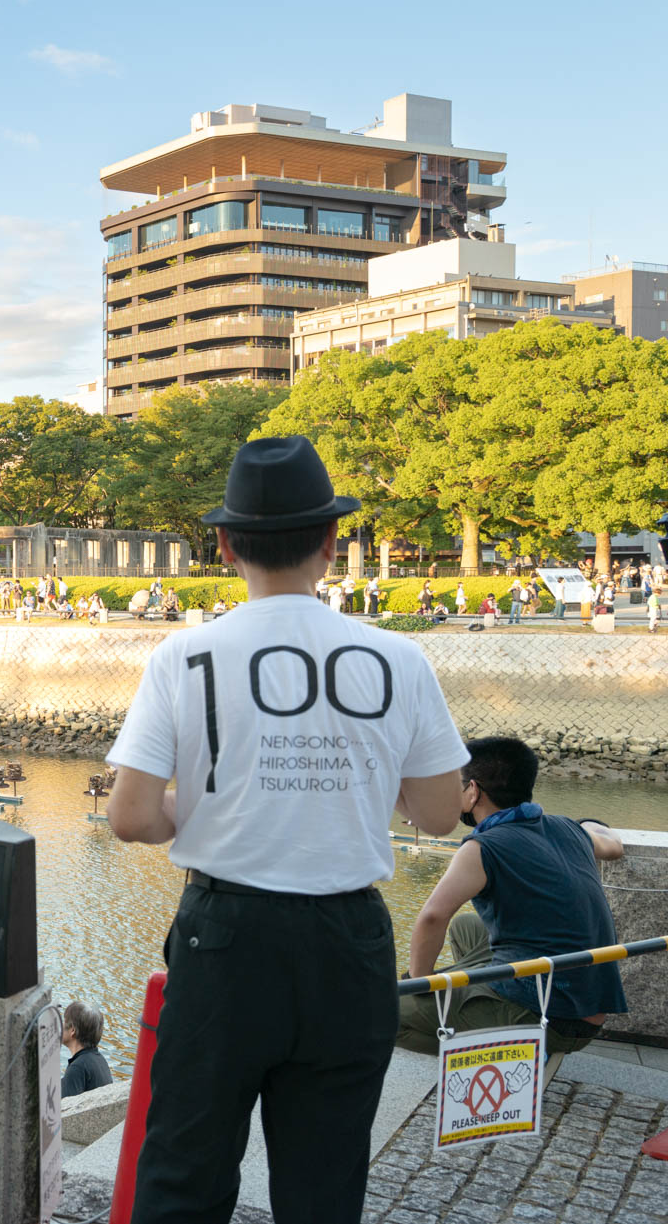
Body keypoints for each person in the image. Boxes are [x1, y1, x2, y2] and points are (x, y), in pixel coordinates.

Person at [105, 436, 466, 1224]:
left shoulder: (184, 654)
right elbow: (441, 812)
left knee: (185, 1171)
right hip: (349, 938)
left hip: (223, 936)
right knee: (325, 1178)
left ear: (228, 544)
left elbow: (129, 815)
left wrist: (199, 812)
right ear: (331, 544)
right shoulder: (398, 659)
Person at [397, 737, 626, 1057]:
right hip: (586, 1002)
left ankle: (488, 1048)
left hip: (550, 1015)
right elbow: (612, 845)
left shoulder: (483, 847)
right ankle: (473, 1000)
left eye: (455, 784)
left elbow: (433, 916)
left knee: (383, 1012)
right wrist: (590, 824)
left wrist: (419, 983)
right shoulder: (568, 828)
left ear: (473, 791)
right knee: (466, 926)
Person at [59, 1000, 112, 1098]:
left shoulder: (77, 1068)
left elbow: (65, 1110)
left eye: (64, 1021)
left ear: (73, 1030)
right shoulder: (100, 1060)